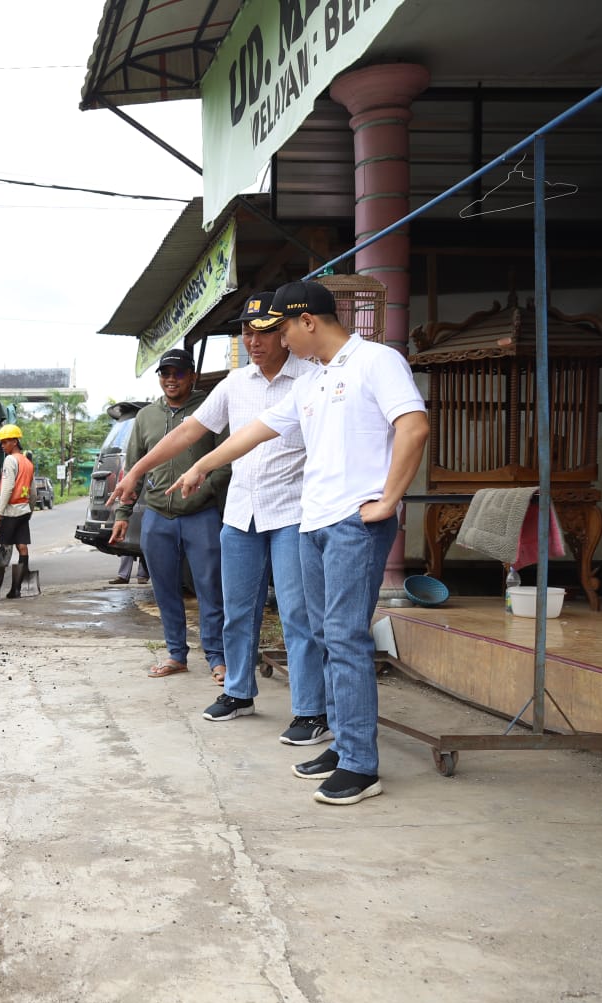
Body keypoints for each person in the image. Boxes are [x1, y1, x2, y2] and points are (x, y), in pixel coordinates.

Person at [170, 279, 428, 806]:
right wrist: (201, 464)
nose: (281, 340)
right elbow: (257, 431)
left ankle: (360, 764)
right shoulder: (312, 383)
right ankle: (342, 740)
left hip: (355, 525)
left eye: (283, 328)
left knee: (345, 636)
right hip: (312, 523)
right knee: (323, 632)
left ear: (308, 321)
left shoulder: (376, 361)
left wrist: (388, 501)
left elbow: (413, 427)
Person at [112, 291, 327, 743]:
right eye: (247, 332)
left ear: (286, 333)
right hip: (241, 515)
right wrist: (135, 471)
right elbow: (191, 430)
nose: (254, 341)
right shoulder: (235, 384)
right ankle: (238, 691)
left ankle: (310, 711)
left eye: (264, 331)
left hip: (293, 512)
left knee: (296, 614)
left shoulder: (312, 378)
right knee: (237, 610)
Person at [108, 347, 229, 682]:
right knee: (164, 589)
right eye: (165, 373)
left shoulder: (210, 409)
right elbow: (134, 469)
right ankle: (176, 654)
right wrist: (123, 513)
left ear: (192, 376)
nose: (171, 379)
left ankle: (217, 657)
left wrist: (201, 491)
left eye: (178, 373)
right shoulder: (146, 416)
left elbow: (225, 461)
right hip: (158, 515)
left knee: (210, 588)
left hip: (201, 514)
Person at [0, 424, 34, 599]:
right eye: (1, 443)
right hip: (24, 510)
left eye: (5, 442)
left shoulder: (10, 460)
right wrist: (30, 511)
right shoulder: (27, 462)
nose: (2, 446)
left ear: (14, 441)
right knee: (22, 547)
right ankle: (17, 590)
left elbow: (7, 489)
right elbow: (32, 491)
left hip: (10, 512)